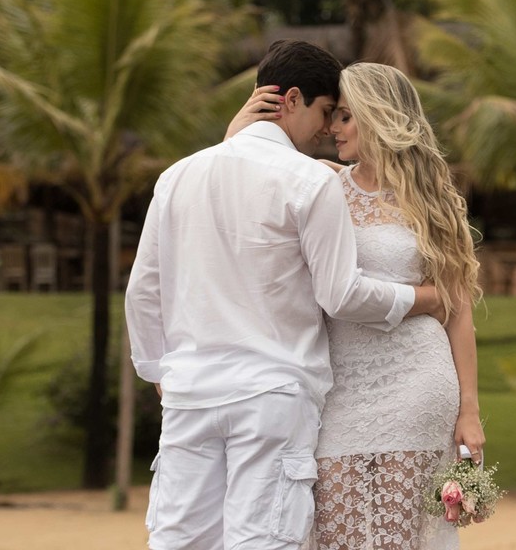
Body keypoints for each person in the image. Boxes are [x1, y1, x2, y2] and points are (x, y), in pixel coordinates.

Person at [125, 40, 446, 550]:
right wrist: (422, 299)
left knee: (180, 540)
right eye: (324, 112)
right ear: (291, 99)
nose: (325, 129)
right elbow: (341, 296)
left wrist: (158, 371)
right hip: (274, 393)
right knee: (265, 540)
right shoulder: (308, 182)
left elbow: (144, 289)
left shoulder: (178, 176)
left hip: (190, 392)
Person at [230, 62, 484, 549]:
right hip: (339, 389)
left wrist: (469, 411)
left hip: (418, 384)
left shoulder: (434, 202)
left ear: (379, 117)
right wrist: (238, 130)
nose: (331, 128)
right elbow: (241, 178)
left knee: (396, 537)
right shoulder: (321, 184)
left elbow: (458, 309)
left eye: (346, 117)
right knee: (334, 534)